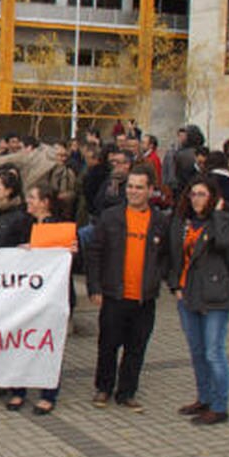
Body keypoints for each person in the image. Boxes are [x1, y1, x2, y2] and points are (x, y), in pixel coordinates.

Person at [87, 164, 169, 413]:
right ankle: (103, 387)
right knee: (108, 345)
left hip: (144, 298)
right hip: (114, 294)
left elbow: (166, 255)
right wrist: (95, 287)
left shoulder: (159, 221)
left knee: (136, 347)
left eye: (139, 187)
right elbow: (94, 252)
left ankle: (127, 392)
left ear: (150, 190)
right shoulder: (110, 216)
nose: (133, 192)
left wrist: (157, 278)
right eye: (130, 186)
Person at [168, 176, 229, 426]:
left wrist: (219, 215)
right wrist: (175, 284)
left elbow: (225, 244)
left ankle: (220, 407)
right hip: (187, 293)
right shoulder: (182, 222)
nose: (196, 199)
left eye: (202, 194)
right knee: (197, 351)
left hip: (215, 294)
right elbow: (173, 255)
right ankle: (204, 398)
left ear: (213, 198)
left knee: (213, 352)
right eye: (193, 194)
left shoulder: (222, 221)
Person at [6, 183, 76, 416]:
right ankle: (18, 389)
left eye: (33, 198)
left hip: (52, 297)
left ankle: (48, 393)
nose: (29, 201)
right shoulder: (22, 223)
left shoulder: (60, 228)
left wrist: (72, 250)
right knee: (20, 342)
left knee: (48, 343)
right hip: (25, 296)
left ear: (46, 202)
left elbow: (69, 258)